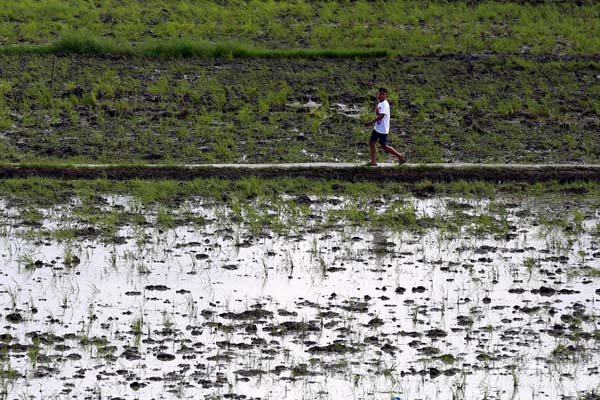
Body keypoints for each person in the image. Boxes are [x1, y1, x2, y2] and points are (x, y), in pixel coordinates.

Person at [364, 87, 406, 166]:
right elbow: (378, 114)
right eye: (380, 94)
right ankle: (373, 162)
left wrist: (371, 122)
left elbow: (381, 116)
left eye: (383, 94)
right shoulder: (380, 103)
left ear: (386, 95)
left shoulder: (385, 104)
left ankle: (400, 156)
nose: (381, 95)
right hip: (377, 127)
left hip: (383, 129)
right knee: (372, 142)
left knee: (384, 146)